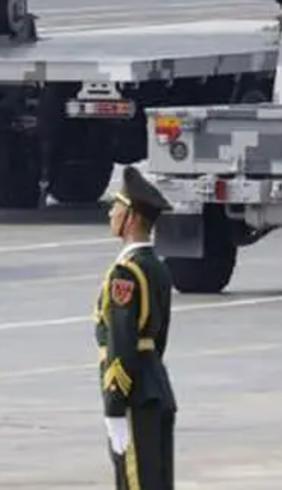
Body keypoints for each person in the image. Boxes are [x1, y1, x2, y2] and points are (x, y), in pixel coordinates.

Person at [95, 165, 177, 490]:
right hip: (154, 385)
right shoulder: (156, 267)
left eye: (116, 207)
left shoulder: (125, 274)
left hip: (134, 397)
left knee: (136, 483)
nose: (111, 215)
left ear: (130, 217)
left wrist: (115, 403)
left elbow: (121, 339)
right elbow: (158, 338)